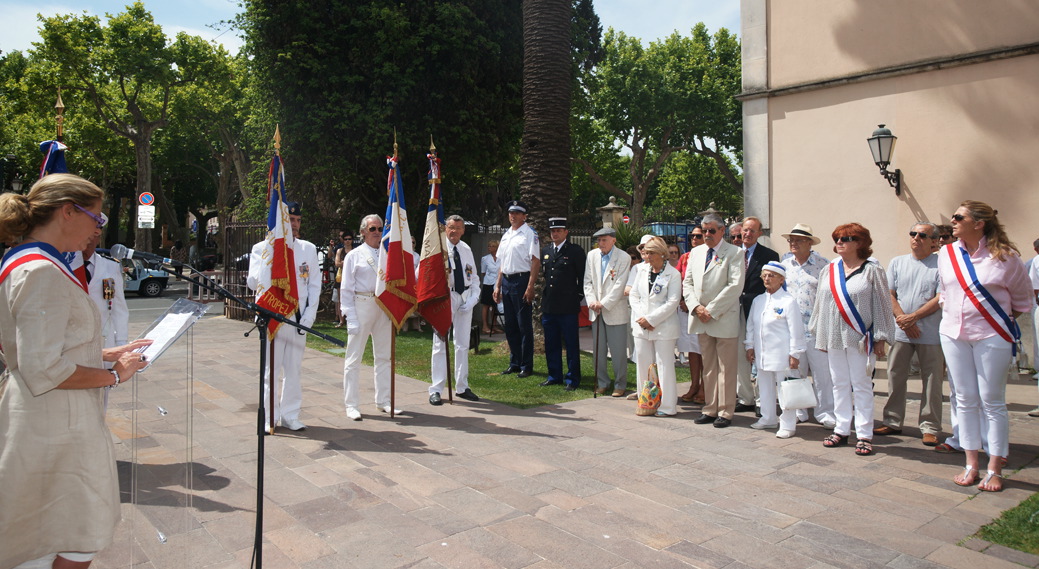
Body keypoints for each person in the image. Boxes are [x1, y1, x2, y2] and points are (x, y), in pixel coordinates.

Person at [0, 173, 151, 569]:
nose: (98, 230)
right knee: (67, 539)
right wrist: (115, 373)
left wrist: (102, 352)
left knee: (56, 537)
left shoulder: (31, 261)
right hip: (53, 426)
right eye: (96, 219)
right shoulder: (41, 271)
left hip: (46, 419)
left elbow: (41, 345)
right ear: (68, 212)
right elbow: (43, 367)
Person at [939, 201, 1033, 492]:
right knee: (964, 399)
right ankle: (971, 463)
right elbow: (944, 291)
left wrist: (994, 322)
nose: (952, 221)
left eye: (958, 217)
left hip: (991, 336)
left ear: (978, 223)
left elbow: (1022, 301)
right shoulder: (947, 253)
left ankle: (994, 466)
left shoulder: (1005, 257)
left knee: (992, 401)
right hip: (953, 334)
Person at [809, 223, 895, 456]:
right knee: (838, 383)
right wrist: (820, 334)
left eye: (845, 238)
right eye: (837, 238)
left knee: (862, 385)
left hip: (859, 337)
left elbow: (882, 306)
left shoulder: (872, 270)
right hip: (834, 336)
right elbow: (820, 304)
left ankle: (865, 434)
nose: (839, 242)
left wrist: (881, 337)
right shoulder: (830, 269)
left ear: (860, 243)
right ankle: (841, 428)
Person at [247, 201, 322, 432]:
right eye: (291, 220)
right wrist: (270, 258)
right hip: (273, 315)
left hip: (297, 318)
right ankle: (270, 417)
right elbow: (252, 283)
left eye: (298, 221)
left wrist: (309, 316)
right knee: (272, 369)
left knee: (294, 370)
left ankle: (290, 415)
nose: (296, 225)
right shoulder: (261, 248)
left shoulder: (307, 248)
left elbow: (314, 285)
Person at [875, 223, 945, 446]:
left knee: (932, 380)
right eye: (913, 233)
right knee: (896, 375)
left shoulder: (941, 264)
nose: (916, 238)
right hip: (902, 329)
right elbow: (889, 293)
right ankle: (893, 420)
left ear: (934, 241)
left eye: (922, 235)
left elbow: (941, 296)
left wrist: (914, 317)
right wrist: (903, 319)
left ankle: (930, 426)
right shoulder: (898, 262)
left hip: (931, 331)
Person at [684, 213, 745, 428]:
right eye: (704, 231)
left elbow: (735, 286)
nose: (707, 235)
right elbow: (688, 283)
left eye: (711, 231)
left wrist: (711, 310)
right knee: (708, 366)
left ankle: (725, 411)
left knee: (726, 367)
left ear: (722, 231)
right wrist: (696, 307)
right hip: (701, 318)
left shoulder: (735, 253)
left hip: (722, 317)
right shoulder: (696, 252)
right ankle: (710, 408)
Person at [341, 214, 399, 420]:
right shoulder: (353, 256)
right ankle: (351, 404)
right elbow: (346, 289)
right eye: (372, 229)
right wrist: (351, 317)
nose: (377, 233)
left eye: (380, 229)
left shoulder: (388, 254)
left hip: (383, 307)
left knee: (384, 356)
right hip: (362, 304)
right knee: (354, 358)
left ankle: (383, 400)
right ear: (363, 232)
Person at [779, 223, 835, 428]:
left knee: (822, 374)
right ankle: (798, 410)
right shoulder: (784, 264)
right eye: (791, 240)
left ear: (809, 243)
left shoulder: (823, 265)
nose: (793, 243)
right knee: (794, 372)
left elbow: (830, 297)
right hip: (791, 330)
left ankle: (825, 412)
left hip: (816, 329)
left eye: (798, 240)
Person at [745, 262, 806, 437]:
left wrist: (795, 353)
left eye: (771, 275)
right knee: (764, 387)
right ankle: (768, 418)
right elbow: (751, 325)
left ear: (781, 279)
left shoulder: (788, 301)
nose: (767, 278)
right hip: (762, 354)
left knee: (785, 389)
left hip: (783, 355)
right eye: (764, 275)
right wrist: (749, 345)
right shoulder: (759, 300)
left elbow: (796, 330)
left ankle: (787, 424)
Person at [429, 215, 481, 405]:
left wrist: (474, 299)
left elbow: (474, 277)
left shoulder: (466, 249)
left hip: (464, 297)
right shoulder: (438, 249)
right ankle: (436, 389)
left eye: (458, 228)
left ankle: (462, 386)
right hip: (445, 297)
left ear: (463, 231)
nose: (454, 232)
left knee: (462, 344)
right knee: (440, 342)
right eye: (451, 228)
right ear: (445, 229)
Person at [629, 236, 682, 416]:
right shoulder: (641, 270)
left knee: (664, 365)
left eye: (651, 253)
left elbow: (673, 301)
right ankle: (646, 402)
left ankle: (667, 406)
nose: (647, 256)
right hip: (641, 326)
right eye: (646, 252)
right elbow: (634, 295)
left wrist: (652, 319)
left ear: (661, 254)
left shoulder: (673, 274)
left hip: (664, 327)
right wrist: (643, 318)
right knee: (643, 365)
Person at [736, 216, 780, 414]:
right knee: (740, 356)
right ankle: (746, 398)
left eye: (752, 231)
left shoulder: (769, 255)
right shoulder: (734, 254)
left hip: (759, 310)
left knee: (761, 356)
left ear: (759, 234)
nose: (748, 234)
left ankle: (763, 401)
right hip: (735, 311)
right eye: (745, 230)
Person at [493, 200, 541, 378]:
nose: (513, 216)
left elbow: (535, 261)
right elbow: (502, 263)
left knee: (524, 326)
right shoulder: (506, 234)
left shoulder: (530, 234)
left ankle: (526, 365)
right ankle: (514, 362)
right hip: (506, 280)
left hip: (521, 281)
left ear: (524, 216)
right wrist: (497, 285)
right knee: (511, 325)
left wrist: (530, 286)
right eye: (511, 213)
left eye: (517, 213)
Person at [538, 217, 586, 391]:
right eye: (552, 231)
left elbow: (582, 278)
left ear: (566, 232)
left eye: (558, 230)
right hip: (550, 305)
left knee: (571, 344)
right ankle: (554, 375)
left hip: (567, 306)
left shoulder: (575, 251)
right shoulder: (546, 251)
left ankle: (572, 379)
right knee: (551, 343)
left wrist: (578, 297)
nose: (555, 233)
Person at [585, 227, 631, 397]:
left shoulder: (623, 257)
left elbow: (620, 285)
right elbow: (587, 281)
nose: (600, 243)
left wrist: (603, 303)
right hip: (595, 310)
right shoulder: (592, 256)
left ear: (613, 240)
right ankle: (602, 382)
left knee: (618, 350)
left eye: (604, 240)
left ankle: (620, 383)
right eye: (599, 240)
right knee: (598, 350)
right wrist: (591, 301)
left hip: (614, 309)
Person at [80, 233, 129, 352]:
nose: (87, 242)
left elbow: (119, 307)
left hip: (105, 338)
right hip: (76, 341)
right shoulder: (65, 266)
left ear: (98, 239)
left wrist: (121, 342)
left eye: (92, 236)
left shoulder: (111, 266)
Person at [676, 228, 705, 404]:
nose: (694, 238)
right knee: (693, 349)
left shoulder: (710, 256)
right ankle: (694, 384)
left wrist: (693, 303)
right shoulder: (685, 257)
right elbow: (679, 280)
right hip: (686, 310)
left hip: (702, 308)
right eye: (692, 236)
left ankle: (705, 386)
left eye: (698, 236)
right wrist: (683, 300)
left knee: (705, 349)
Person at [333, 229, 354, 328]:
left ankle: (352, 319)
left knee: (353, 298)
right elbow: (337, 263)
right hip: (341, 278)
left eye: (349, 239)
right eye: (345, 239)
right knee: (341, 299)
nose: (347, 241)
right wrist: (346, 263)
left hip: (353, 278)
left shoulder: (355, 251)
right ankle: (341, 321)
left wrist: (343, 262)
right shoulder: (339, 251)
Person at [480, 239, 501, 334]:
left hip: (498, 283)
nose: (490, 248)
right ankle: (485, 326)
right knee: (486, 305)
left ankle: (494, 324)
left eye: (492, 246)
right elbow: (483, 272)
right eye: (489, 246)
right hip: (488, 283)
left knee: (495, 304)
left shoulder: (501, 258)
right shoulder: (485, 259)